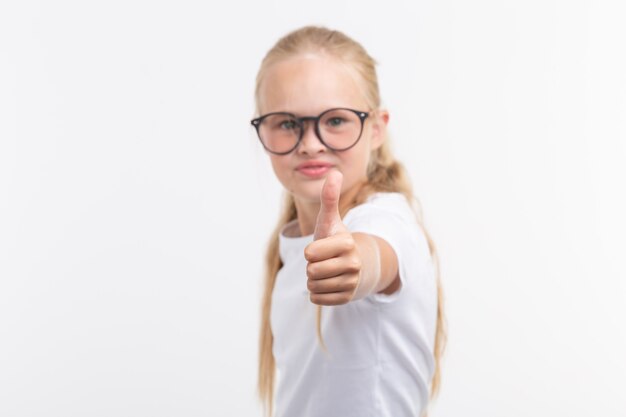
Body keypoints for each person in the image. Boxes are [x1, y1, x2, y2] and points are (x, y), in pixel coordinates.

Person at [251, 26, 446, 417]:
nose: (310, 143)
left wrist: (355, 262)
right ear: (262, 128)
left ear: (376, 129)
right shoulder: (288, 248)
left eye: (336, 120)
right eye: (287, 123)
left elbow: (374, 253)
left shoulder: (387, 219)